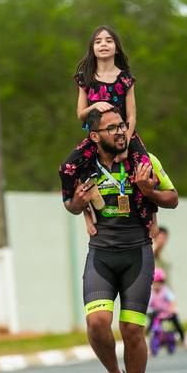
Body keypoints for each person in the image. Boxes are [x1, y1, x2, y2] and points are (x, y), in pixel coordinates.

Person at [61, 108, 178, 373]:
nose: (121, 131)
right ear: (95, 136)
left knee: (131, 329)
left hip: (137, 254)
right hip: (101, 254)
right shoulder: (85, 167)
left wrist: (149, 191)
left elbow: (173, 198)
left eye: (122, 125)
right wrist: (78, 203)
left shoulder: (144, 162)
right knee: (97, 323)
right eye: (112, 128)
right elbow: (71, 204)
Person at [64, 25, 156, 237]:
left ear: (116, 47)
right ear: (92, 48)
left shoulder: (125, 79)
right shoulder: (85, 78)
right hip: (98, 137)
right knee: (68, 168)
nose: (103, 44)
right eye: (98, 41)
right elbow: (81, 114)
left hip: (125, 135)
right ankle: (84, 213)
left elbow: (131, 116)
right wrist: (95, 106)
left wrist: (126, 143)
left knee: (146, 168)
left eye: (108, 40)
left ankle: (151, 218)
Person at [147, 268, 187, 350]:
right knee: (151, 327)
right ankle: (149, 345)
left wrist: (171, 309)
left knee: (177, 324)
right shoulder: (151, 293)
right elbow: (148, 304)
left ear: (162, 283)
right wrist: (149, 310)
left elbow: (173, 301)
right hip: (158, 314)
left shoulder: (165, 291)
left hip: (168, 313)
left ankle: (184, 339)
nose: (157, 285)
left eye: (159, 283)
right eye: (155, 283)